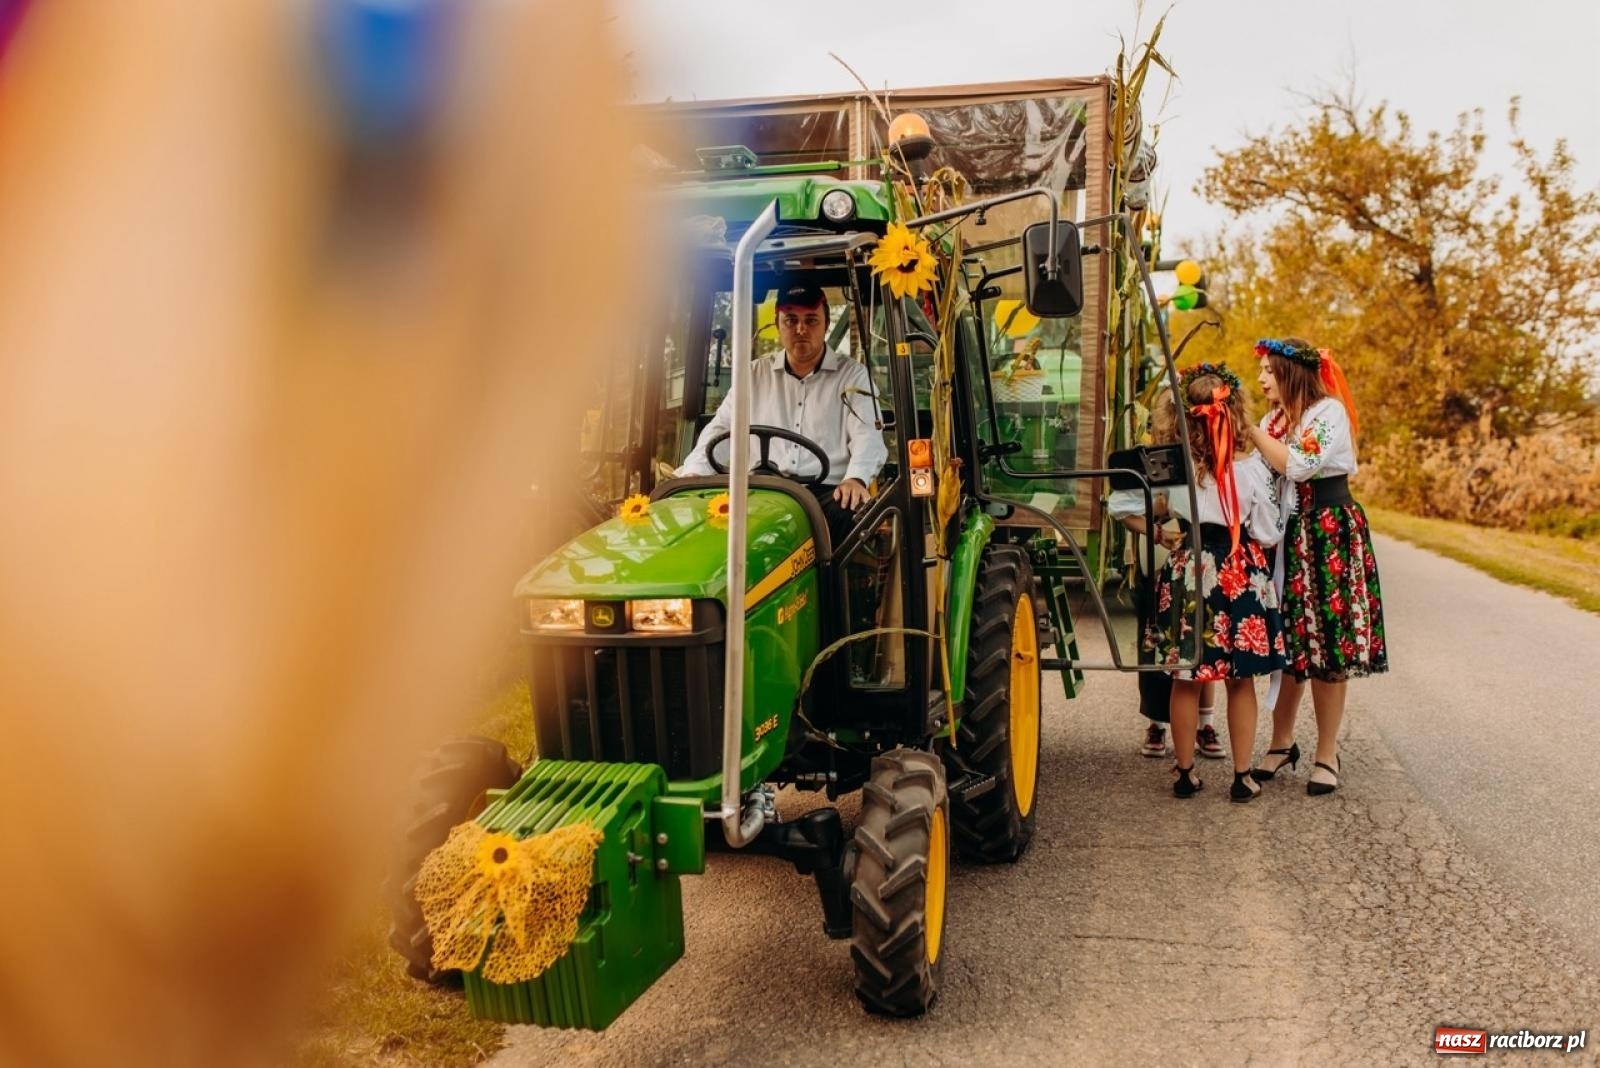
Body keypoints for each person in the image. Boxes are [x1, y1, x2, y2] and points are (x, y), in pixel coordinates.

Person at [1245, 337, 1388, 796]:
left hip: (1327, 530)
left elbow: (1302, 465)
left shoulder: (1327, 414)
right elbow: (1258, 473)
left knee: (1327, 643)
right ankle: (1282, 741)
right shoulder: (1274, 420)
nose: (1262, 378)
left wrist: (1249, 432)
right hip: (1286, 534)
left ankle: (1327, 752)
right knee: (1286, 641)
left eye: (1269, 370)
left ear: (1291, 373)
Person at [1144, 366, 1286, 801]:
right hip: (1239, 570)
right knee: (1239, 679)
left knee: (1187, 676)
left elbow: (1152, 509)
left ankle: (1185, 774)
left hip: (1190, 570)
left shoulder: (1175, 468)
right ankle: (1243, 777)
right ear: (1235, 414)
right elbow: (1268, 532)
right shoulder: (1252, 471)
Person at [677, 279, 887, 547]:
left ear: (826, 324)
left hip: (824, 495)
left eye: (811, 320)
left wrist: (856, 478)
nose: (801, 329)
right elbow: (721, 431)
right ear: (778, 325)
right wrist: (695, 472)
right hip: (761, 492)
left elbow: (867, 435)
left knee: (851, 511)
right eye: (790, 320)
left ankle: (837, 588)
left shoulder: (853, 376)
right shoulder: (752, 376)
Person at [1108, 384, 1223, 759]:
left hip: (1201, 555)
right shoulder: (1153, 455)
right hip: (1162, 556)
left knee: (1203, 637)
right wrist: (1157, 530)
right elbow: (1124, 508)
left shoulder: (1215, 453)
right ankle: (1156, 722)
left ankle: (1205, 722)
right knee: (1156, 637)